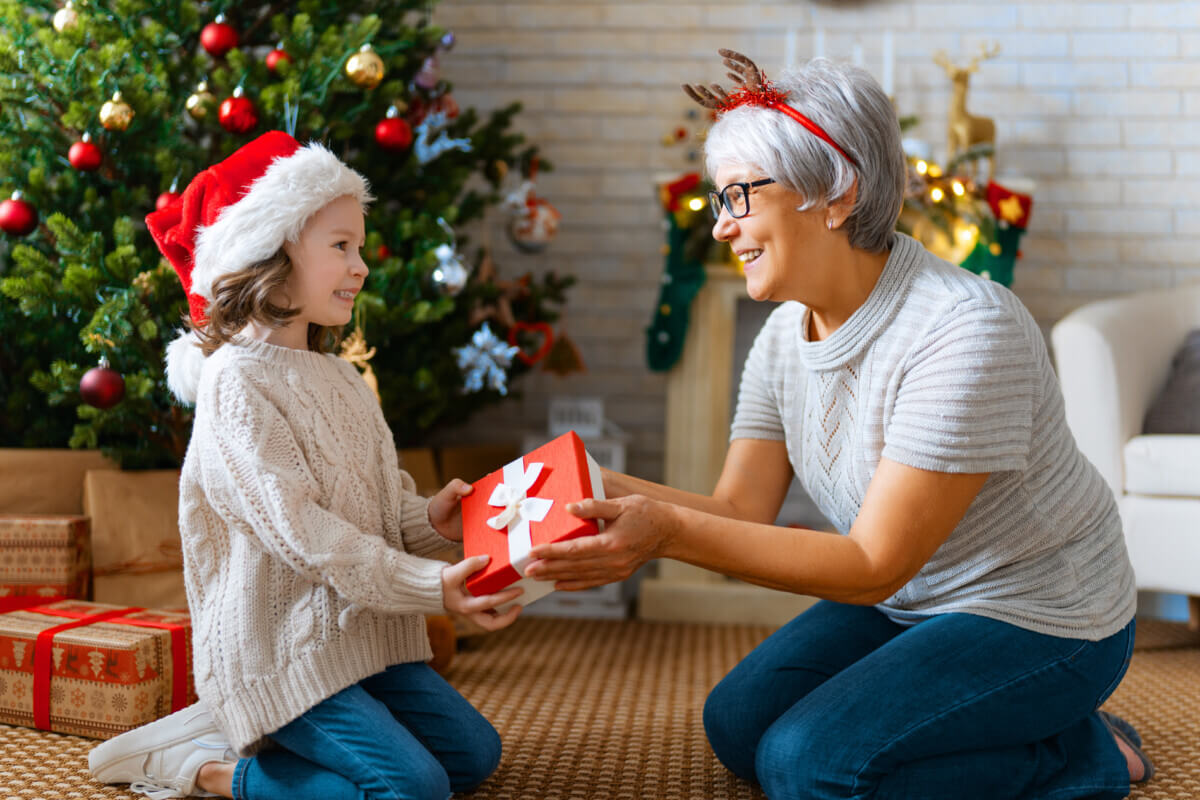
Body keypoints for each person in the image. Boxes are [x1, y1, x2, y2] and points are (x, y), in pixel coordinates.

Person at [526, 51, 1150, 800]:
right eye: (717, 201)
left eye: (739, 198)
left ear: (834, 194)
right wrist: (587, 485)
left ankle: (1087, 756)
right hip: (915, 601)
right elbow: (736, 512)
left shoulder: (965, 329)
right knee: (737, 724)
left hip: (1045, 616)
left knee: (808, 764)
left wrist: (662, 532)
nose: (723, 228)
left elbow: (873, 564)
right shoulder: (786, 337)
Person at [87, 131, 523, 800]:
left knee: (474, 757)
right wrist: (435, 587)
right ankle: (212, 769)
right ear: (270, 250)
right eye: (341, 246)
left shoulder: (343, 379)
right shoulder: (235, 382)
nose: (362, 266)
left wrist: (431, 518)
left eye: (359, 247)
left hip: (365, 641)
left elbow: (378, 509)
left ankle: (237, 741)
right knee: (411, 791)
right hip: (281, 655)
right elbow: (307, 536)